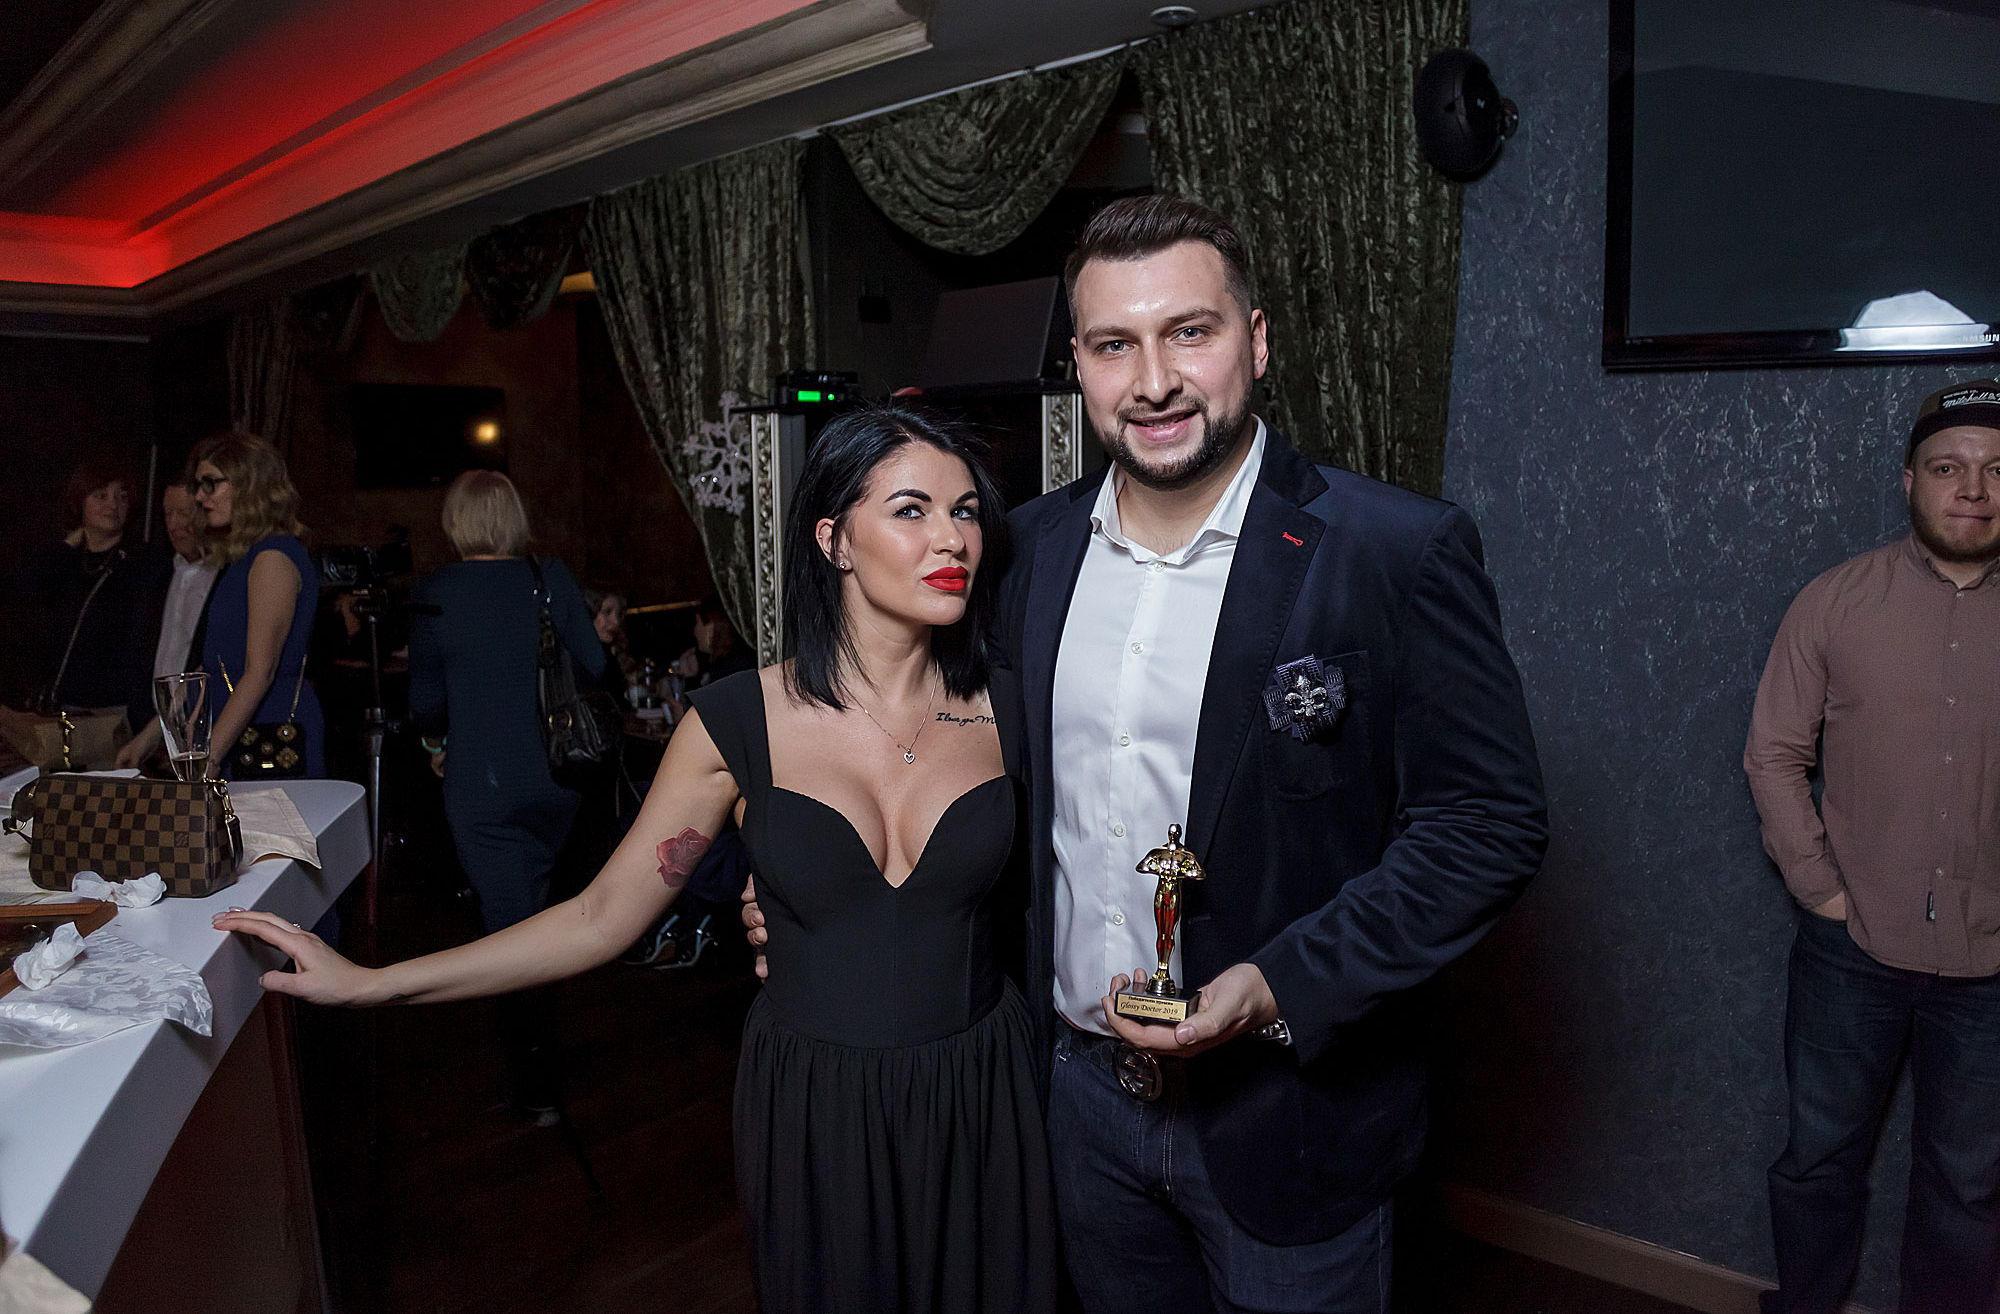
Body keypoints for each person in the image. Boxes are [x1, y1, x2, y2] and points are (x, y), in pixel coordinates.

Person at [743, 196, 1548, 1311]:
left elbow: (1486, 823)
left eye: (1189, 332)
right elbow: (934, 749)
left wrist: (1277, 985)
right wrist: (818, 890)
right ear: (1078, 364)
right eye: (1114, 345)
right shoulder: (1022, 550)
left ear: (1255, 340)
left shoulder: (1393, 551)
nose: (1154, 380)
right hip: (1075, 1109)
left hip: (1287, 1114)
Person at [215, 407, 1056, 1314]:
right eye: (912, 509)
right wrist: (372, 982)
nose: (951, 538)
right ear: (834, 540)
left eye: (965, 511)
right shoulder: (736, 724)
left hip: (984, 1089)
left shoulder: (1012, 705)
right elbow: (598, 916)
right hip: (818, 1104)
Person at [1744, 378, 2000, 1314]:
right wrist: (1821, 890)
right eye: (1948, 467)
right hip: (1850, 951)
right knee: (1818, 1161)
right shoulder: (1835, 601)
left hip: (1992, 968)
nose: (1974, 489)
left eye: (1997, 469)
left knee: (1968, 1187)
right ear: (1909, 480)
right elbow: (1773, 752)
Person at [404, 470, 606, 1116]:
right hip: (558, 782)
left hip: (483, 790)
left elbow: (425, 704)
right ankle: (539, 1063)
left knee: (510, 932)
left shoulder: (435, 593)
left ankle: (534, 1084)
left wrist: (438, 742)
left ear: (455, 522)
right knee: (539, 917)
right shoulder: (550, 578)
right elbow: (596, 666)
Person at [189, 434, 325, 779]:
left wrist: (209, 757)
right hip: (239, 738)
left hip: (268, 740)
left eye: (211, 483)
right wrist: (149, 740)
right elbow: (216, 662)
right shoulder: (245, 559)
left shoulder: (273, 557)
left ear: (249, 485)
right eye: (198, 485)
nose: (200, 496)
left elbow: (260, 671)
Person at [21, 460, 166, 731]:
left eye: (121, 497)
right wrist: (69, 544)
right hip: (58, 708)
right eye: (101, 496)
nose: (113, 504)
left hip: (109, 712)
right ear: (80, 502)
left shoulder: (142, 564)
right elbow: (27, 596)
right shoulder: (67, 562)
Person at [115, 476, 220, 769]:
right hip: (150, 735)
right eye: (168, 513)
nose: (174, 524)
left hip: (202, 735)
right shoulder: (157, 575)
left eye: (184, 513)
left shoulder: (226, 577)